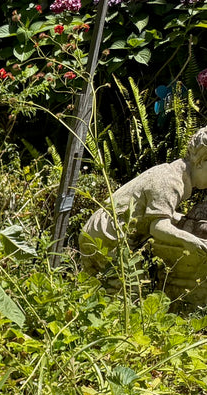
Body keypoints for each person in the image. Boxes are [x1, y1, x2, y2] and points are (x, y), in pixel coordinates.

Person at [79, 127, 207, 302]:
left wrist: (185, 222)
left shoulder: (172, 173)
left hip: (99, 231)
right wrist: (190, 240)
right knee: (128, 293)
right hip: (110, 235)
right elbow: (159, 227)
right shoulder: (171, 181)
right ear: (201, 161)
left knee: (93, 293)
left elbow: (158, 214)